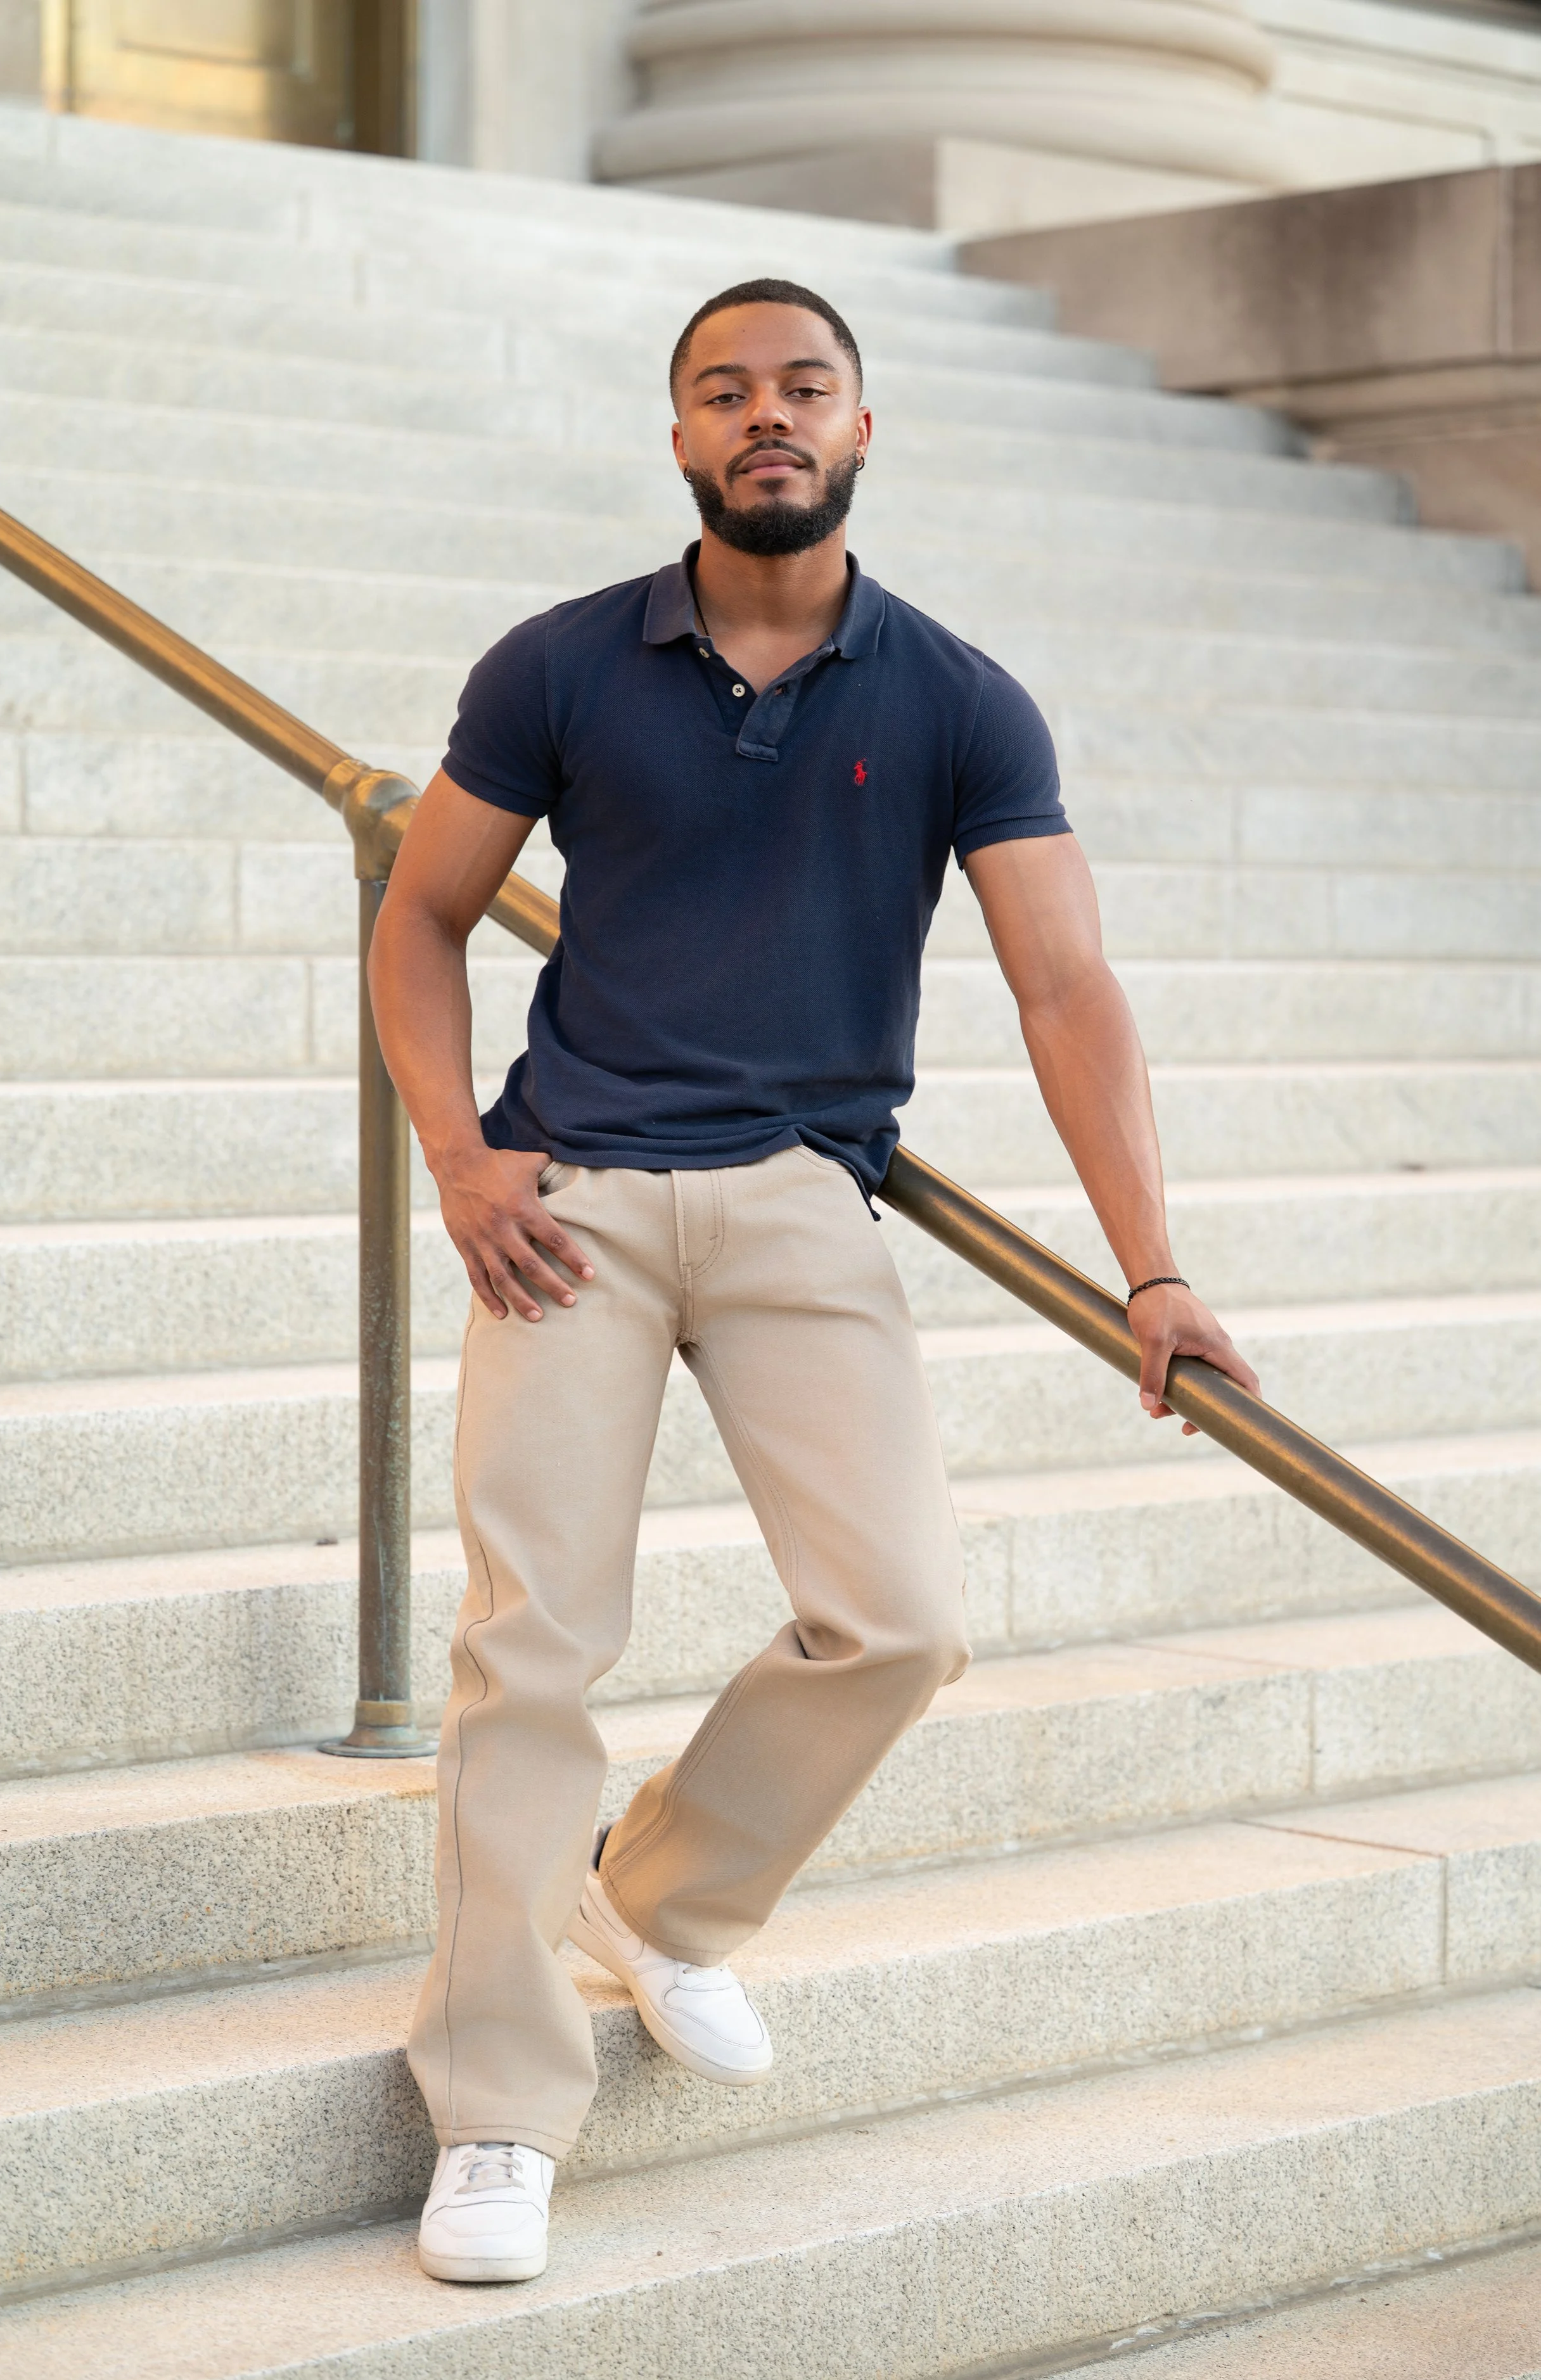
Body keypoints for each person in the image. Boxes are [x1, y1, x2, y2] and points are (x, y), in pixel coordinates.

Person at [368, 277, 1260, 2284]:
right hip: (568, 1205)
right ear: (677, 436)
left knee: (899, 1618)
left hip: (796, 1192)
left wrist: (1151, 1265)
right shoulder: (560, 666)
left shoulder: (955, 697)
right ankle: (500, 2110)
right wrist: (455, 1152)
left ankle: (661, 1900)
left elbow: (1062, 983)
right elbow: (420, 915)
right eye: (723, 392)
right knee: (533, 1649)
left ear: (865, 427)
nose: (764, 418)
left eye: (802, 389)